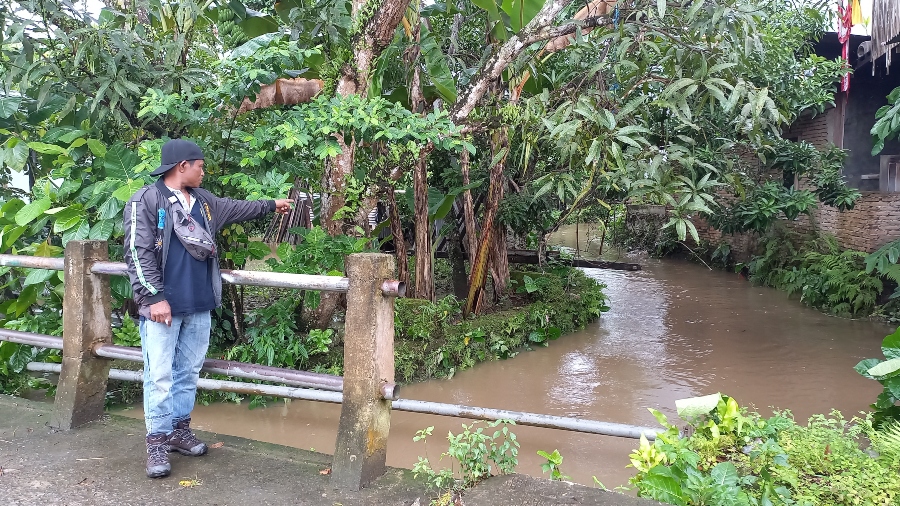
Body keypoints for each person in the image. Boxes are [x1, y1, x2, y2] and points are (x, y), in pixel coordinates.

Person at [123, 139, 293, 478]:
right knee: (159, 376)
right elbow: (137, 253)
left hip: (199, 304)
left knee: (187, 374)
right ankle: (156, 442)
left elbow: (238, 207)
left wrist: (272, 204)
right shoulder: (146, 200)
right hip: (162, 308)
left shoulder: (205, 202)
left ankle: (178, 432)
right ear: (182, 166)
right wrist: (154, 297)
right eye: (200, 165)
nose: (204, 171)